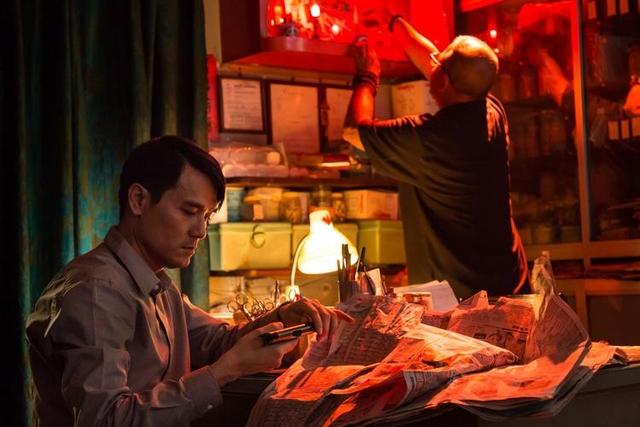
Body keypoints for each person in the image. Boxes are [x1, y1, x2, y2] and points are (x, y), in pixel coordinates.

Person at [26, 135, 354, 427]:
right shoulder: (98, 290)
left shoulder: (155, 283)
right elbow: (106, 419)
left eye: (207, 216)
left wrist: (282, 318)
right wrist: (225, 371)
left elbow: (217, 341)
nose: (200, 231)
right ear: (138, 200)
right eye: (189, 211)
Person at [342, 16, 529, 298]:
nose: (432, 63)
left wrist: (367, 75)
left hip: (463, 302)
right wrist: (394, 21)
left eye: (438, 64)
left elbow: (354, 131)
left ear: (443, 80)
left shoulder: (430, 139)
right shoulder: (491, 111)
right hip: (510, 286)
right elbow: (440, 64)